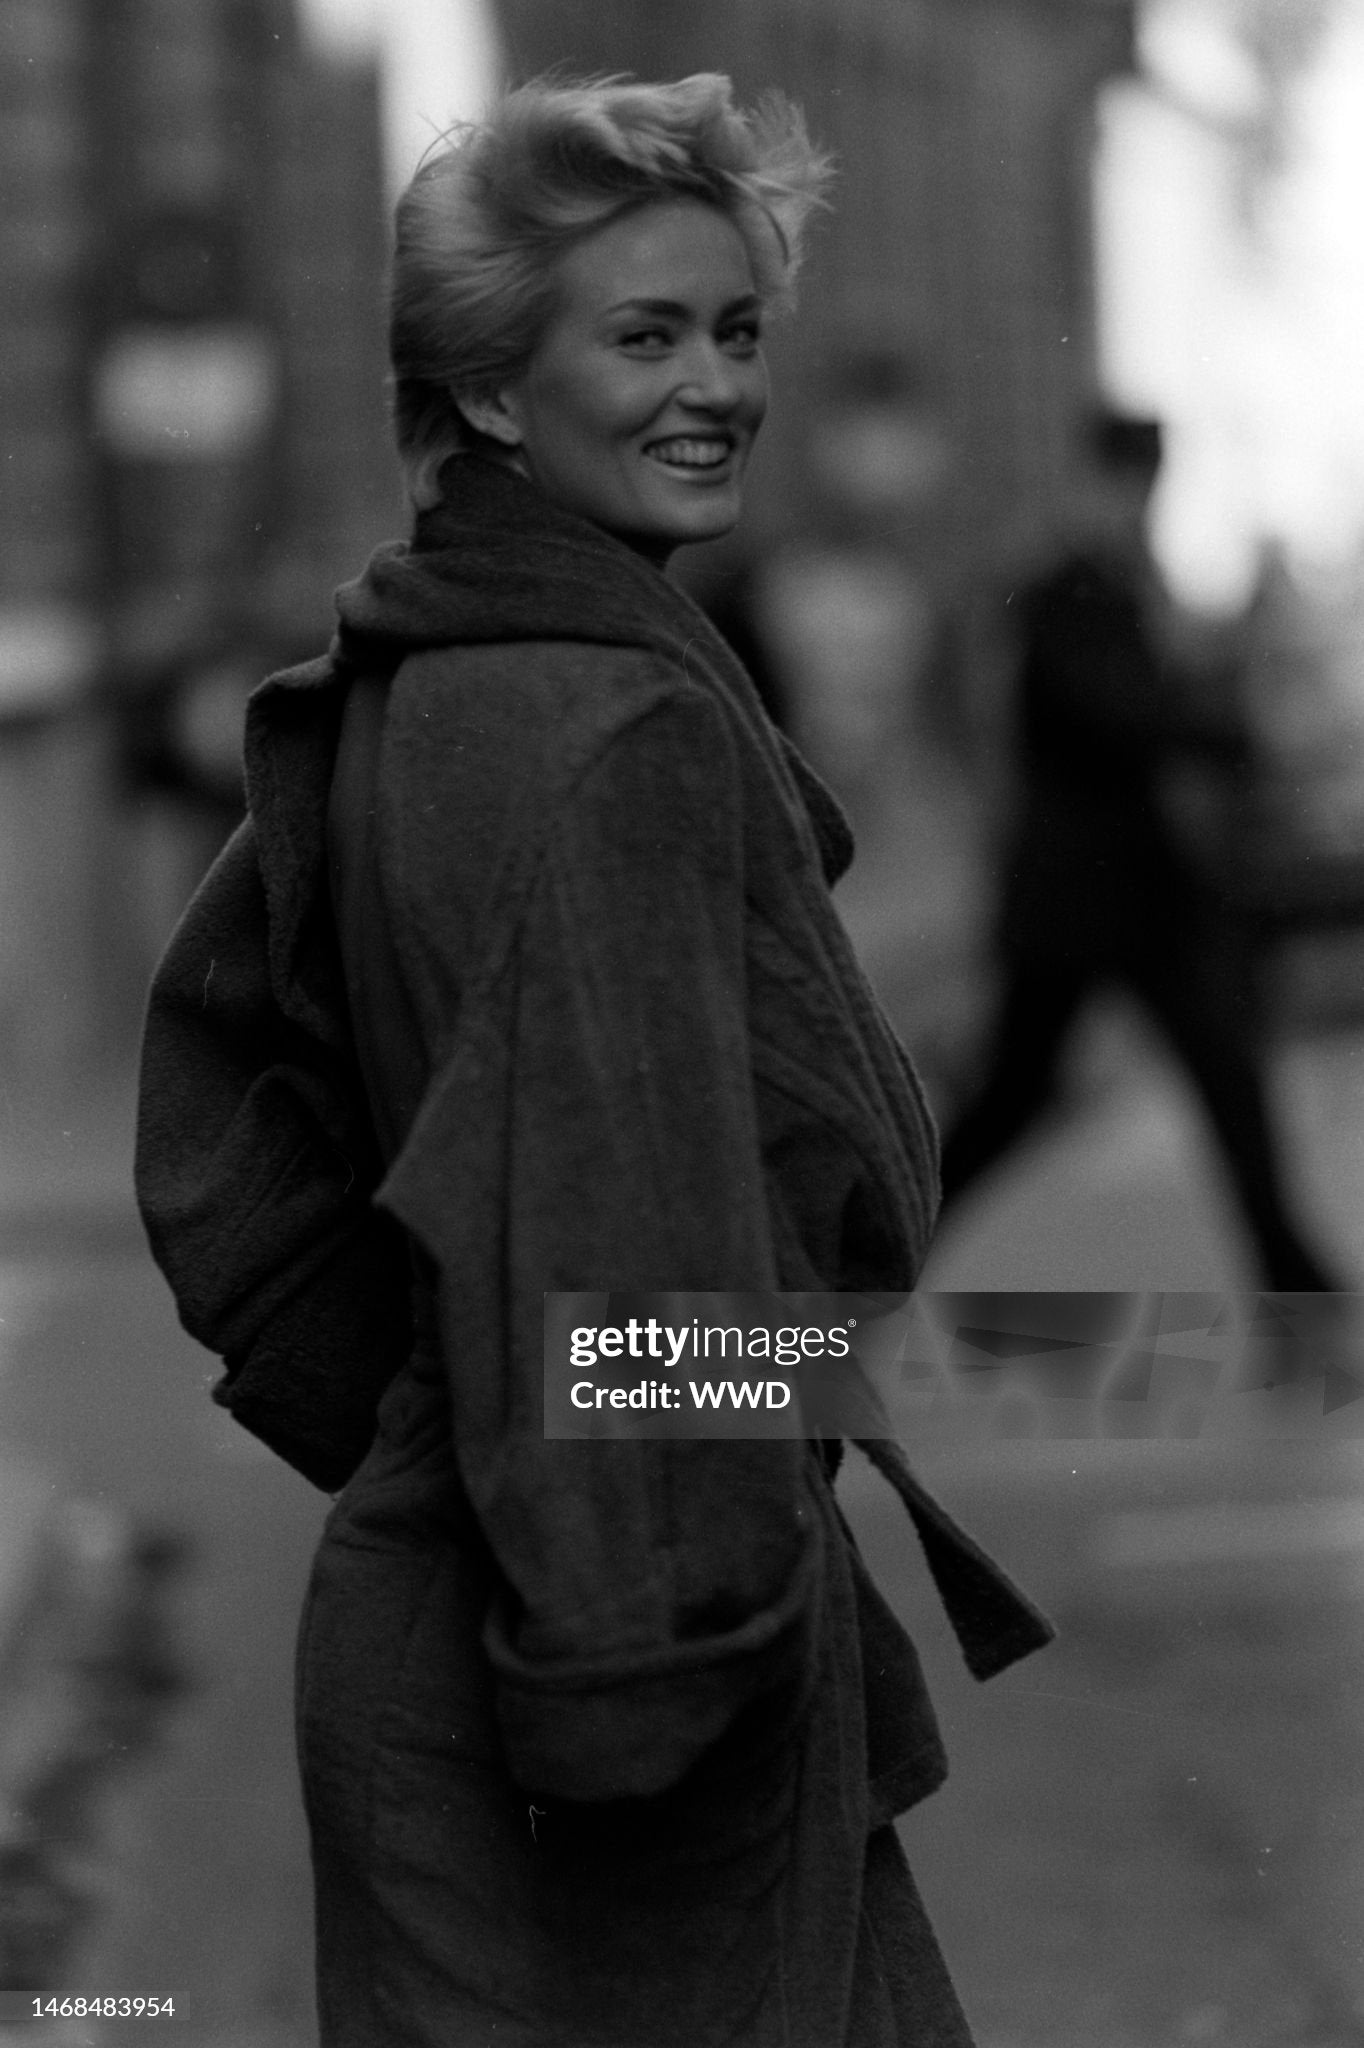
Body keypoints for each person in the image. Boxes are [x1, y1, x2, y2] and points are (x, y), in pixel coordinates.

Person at [134, 77, 1051, 2048]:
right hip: (612, 1690)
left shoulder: (432, 679)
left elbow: (255, 1146)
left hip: (527, 1624)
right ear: (481, 390)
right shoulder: (595, 741)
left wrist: (461, 1406)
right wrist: (659, 1616)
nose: (713, 382)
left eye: (735, 329)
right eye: (640, 336)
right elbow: (613, 1288)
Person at [939, 410, 1337, 1291]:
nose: (1132, 503)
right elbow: (1118, 714)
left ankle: (1295, 1283)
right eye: (1121, 482)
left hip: (1147, 900)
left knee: (1229, 1079)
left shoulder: (1130, 590)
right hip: (1073, 906)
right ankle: (866, 1265)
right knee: (1011, 1100)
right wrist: (1234, 723)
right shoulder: (1060, 593)